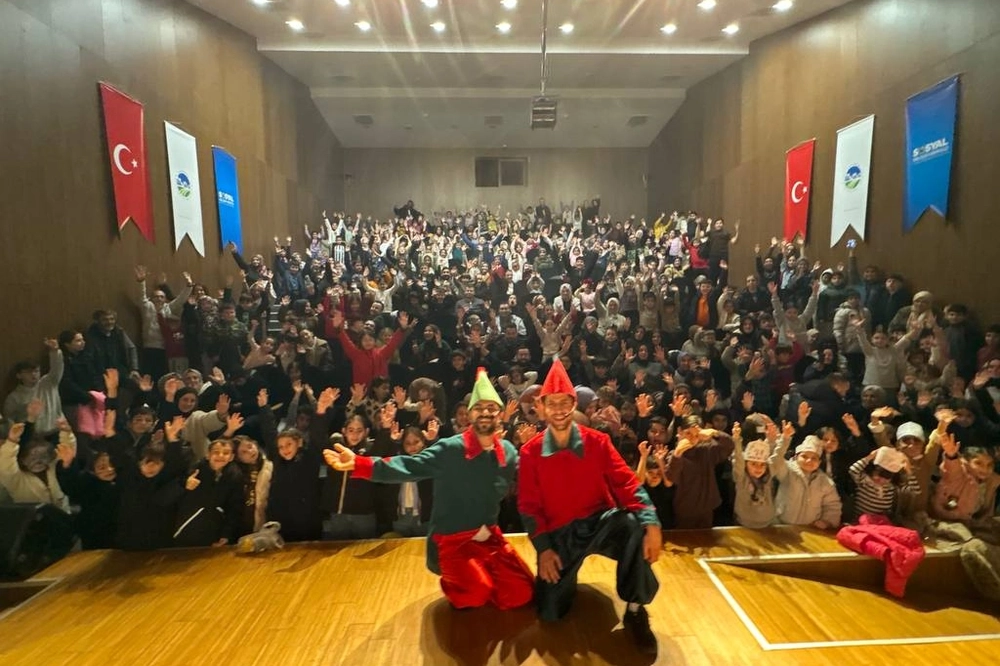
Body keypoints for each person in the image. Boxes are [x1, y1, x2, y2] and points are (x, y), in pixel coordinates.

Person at [324, 368, 534, 611]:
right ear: (470, 414)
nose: (485, 413)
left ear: (500, 414)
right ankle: (460, 579)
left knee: (522, 593)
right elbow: (409, 465)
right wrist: (361, 464)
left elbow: (523, 478)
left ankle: (483, 574)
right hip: (452, 541)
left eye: (491, 408)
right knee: (475, 595)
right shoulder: (450, 449)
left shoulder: (507, 451)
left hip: (489, 538)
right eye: (479, 408)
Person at [517, 360, 661, 655]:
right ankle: (566, 580)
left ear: (574, 404)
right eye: (552, 403)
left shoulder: (598, 442)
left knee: (632, 525)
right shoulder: (530, 452)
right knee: (550, 612)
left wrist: (651, 521)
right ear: (541, 407)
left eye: (565, 402)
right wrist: (544, 549)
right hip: (561, 534)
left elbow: (626, 483)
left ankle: (635, 609)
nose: (559, 409)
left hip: (599, 523)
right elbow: (529, 506)